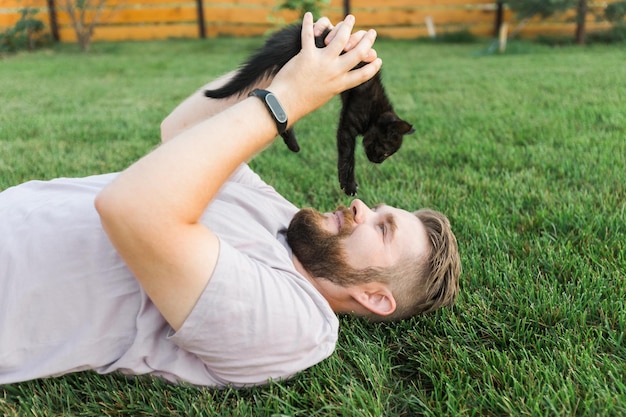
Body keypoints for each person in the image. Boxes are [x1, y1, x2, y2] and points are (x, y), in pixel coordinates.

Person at [0, 14, 460, 387]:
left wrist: (289, 99)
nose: (362, 207)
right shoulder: (281, 217)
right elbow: (180, 133)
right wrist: (285, 64)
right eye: (378, 209)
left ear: (374, 297)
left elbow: (133, 210)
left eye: (382, 228)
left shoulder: (298, 325)